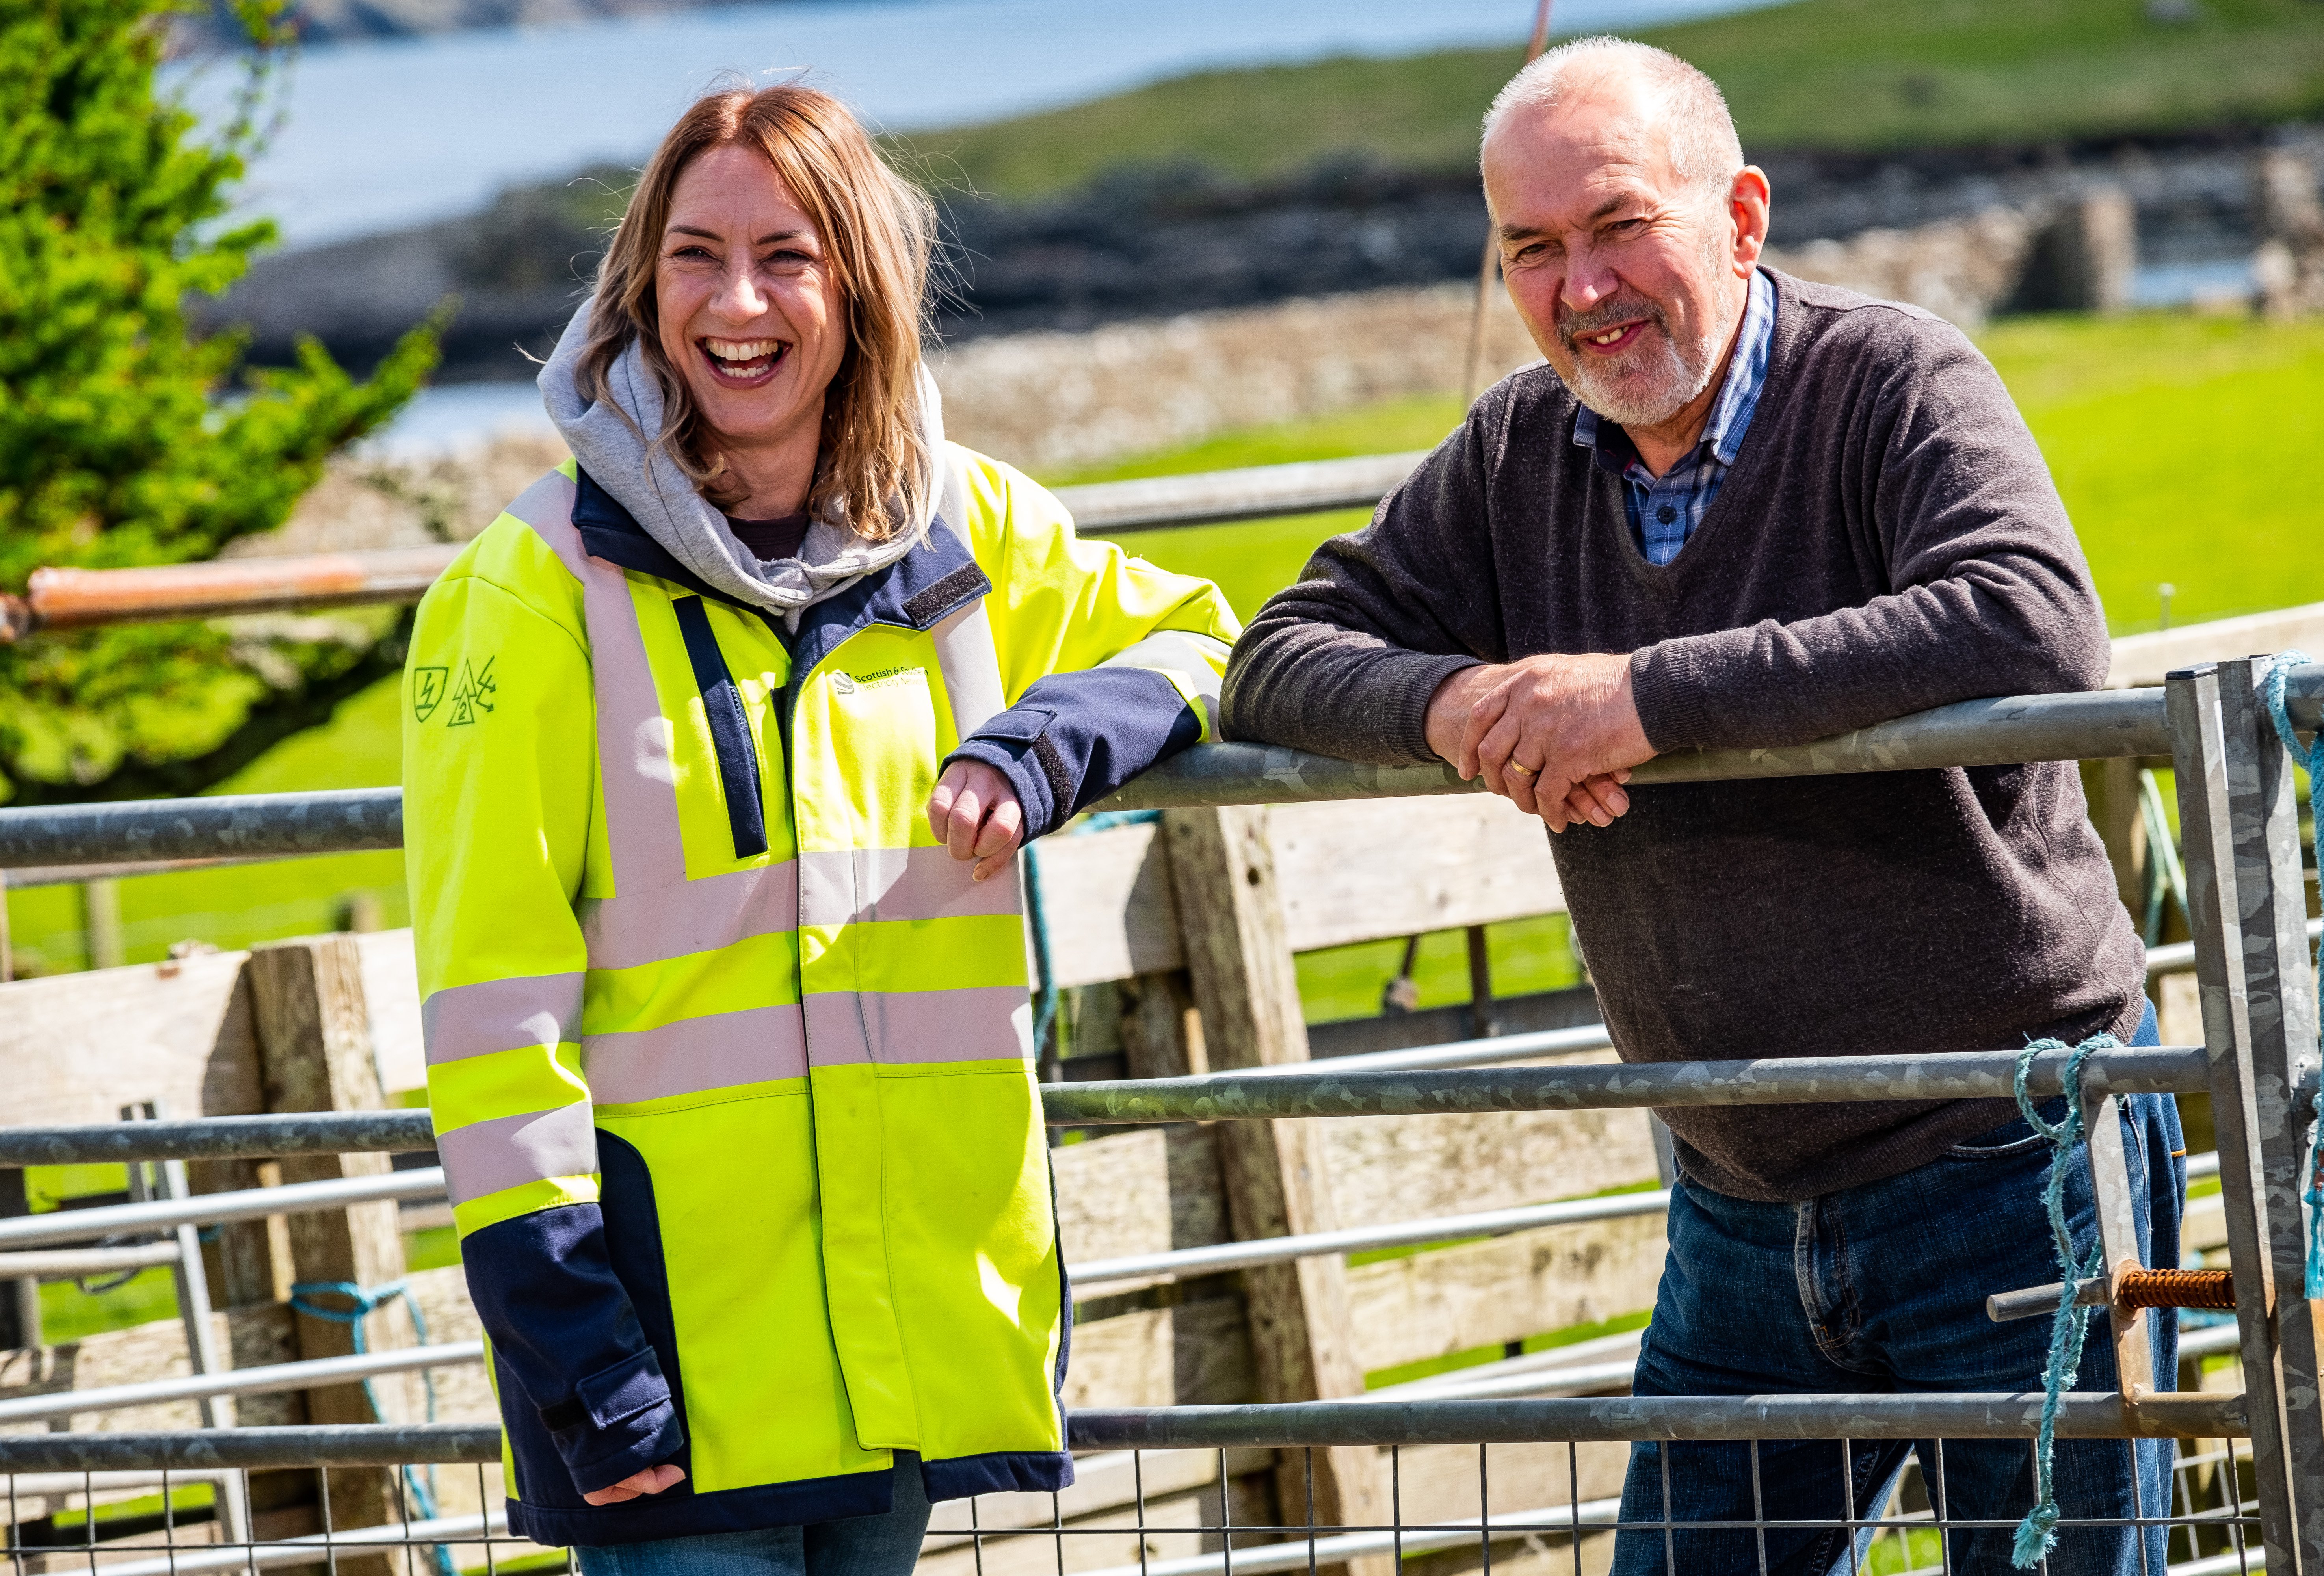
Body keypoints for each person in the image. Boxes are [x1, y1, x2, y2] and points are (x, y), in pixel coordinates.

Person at [1219, 37, 2178, 1576]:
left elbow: (2032, 620)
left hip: (2014, 1159)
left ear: (1740, 214)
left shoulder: (1892, 378)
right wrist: (1454, 703)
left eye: (1617, 225)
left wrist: (1640, 699)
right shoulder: (1519, 454)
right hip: (1738, 1201)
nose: (1579, 288)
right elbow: (1274, 660)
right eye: (1531, 248)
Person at [402, 82, 1236, 1576]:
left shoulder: (968, 538)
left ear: (860, 282)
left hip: (901, 1368)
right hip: (667, 1396)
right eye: (694, 256)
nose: (739, 301)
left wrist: (1046, 746)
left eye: (788, 254)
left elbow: (1201, 636)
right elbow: (488, 1014)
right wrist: (588, 1374)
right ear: (641, 288)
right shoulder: (529, 591)